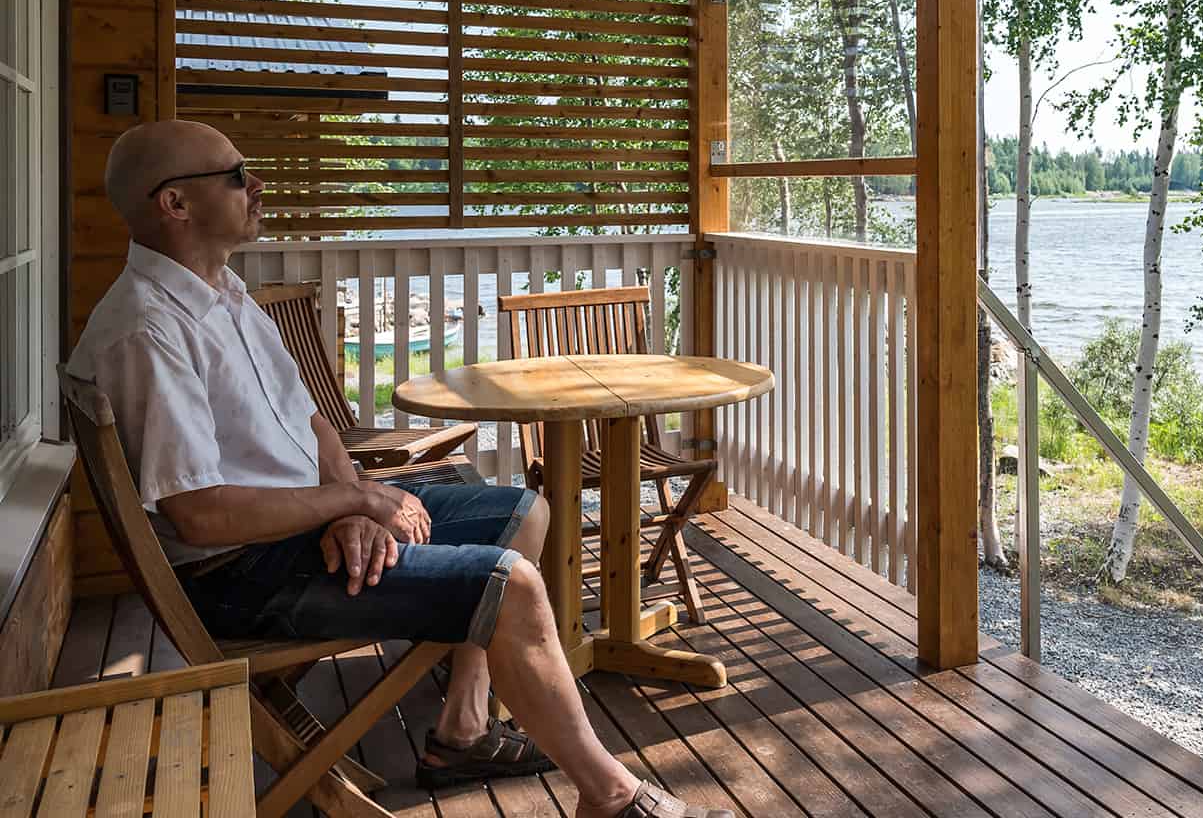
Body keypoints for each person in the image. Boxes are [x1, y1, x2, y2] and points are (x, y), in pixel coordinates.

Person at [69, 121, 729, 818]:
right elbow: (201, 517)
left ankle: (462, 729)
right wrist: (347, 505)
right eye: (236, 175)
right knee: (512, 587)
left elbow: (313, 423)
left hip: (291, 527)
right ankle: (614, 797)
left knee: (521, 511)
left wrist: (353, 500)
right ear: (175, 204)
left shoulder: (223, 294)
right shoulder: (149, 330)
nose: (257, 185)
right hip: (239, 572)